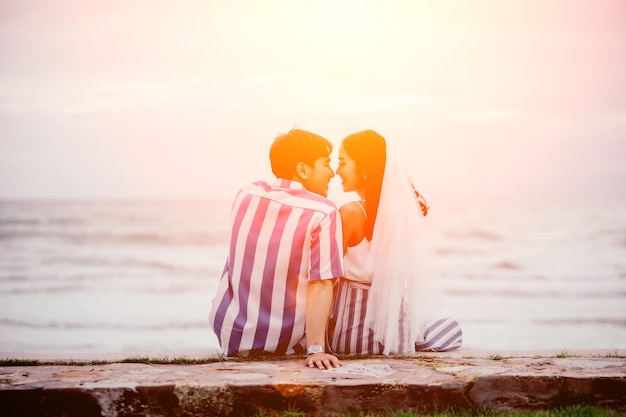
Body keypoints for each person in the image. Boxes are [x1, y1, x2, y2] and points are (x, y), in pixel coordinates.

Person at [209, 128, 343, 369]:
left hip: (231, 335)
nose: (332, 173)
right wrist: (316, 350)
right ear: (303, 169)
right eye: (326, 164)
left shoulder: (245, 194)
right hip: (285, 343)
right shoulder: (324, 212)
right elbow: (321, 283)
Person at [330, 130, 462, 355]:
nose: (337, 170)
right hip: (397, 333)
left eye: (342, 162)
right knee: (446, 327)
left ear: (362, 168)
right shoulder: (402, 214)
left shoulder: (351, 213)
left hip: (353, 334)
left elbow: (328, 277)